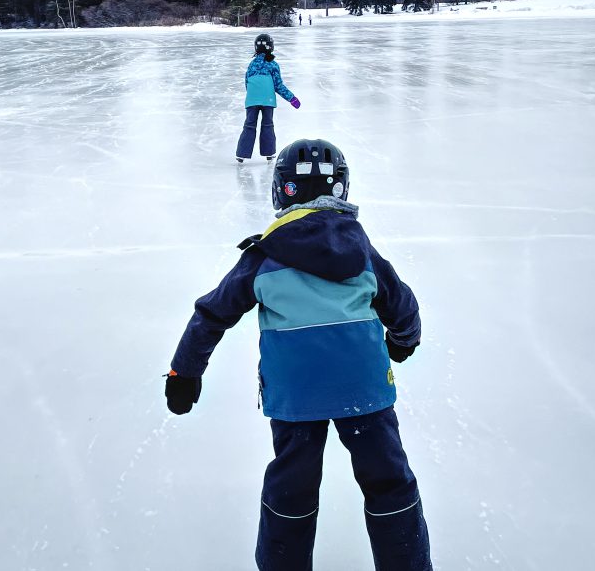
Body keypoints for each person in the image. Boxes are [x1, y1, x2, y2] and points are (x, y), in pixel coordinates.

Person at [165, 139, 432, 571]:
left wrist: (185, 372)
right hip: (362, 389)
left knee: (292, 487)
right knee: (388, 483)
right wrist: (403, 341)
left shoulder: (263, 257)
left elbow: (213, 313)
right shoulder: (361, 251)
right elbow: (401, 303)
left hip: (297, 396)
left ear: (281, 190)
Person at [235, 34, 301, 163]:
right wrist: (292, 99)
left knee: (249, 125)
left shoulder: (252, 64)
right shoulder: (273, 64)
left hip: (252, 100)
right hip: (267, 100)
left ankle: (241, 154)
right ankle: (269, 153)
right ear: (271, 47)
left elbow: (247, 82)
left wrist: (253, 95)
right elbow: (278, 85)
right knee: (267, 125)